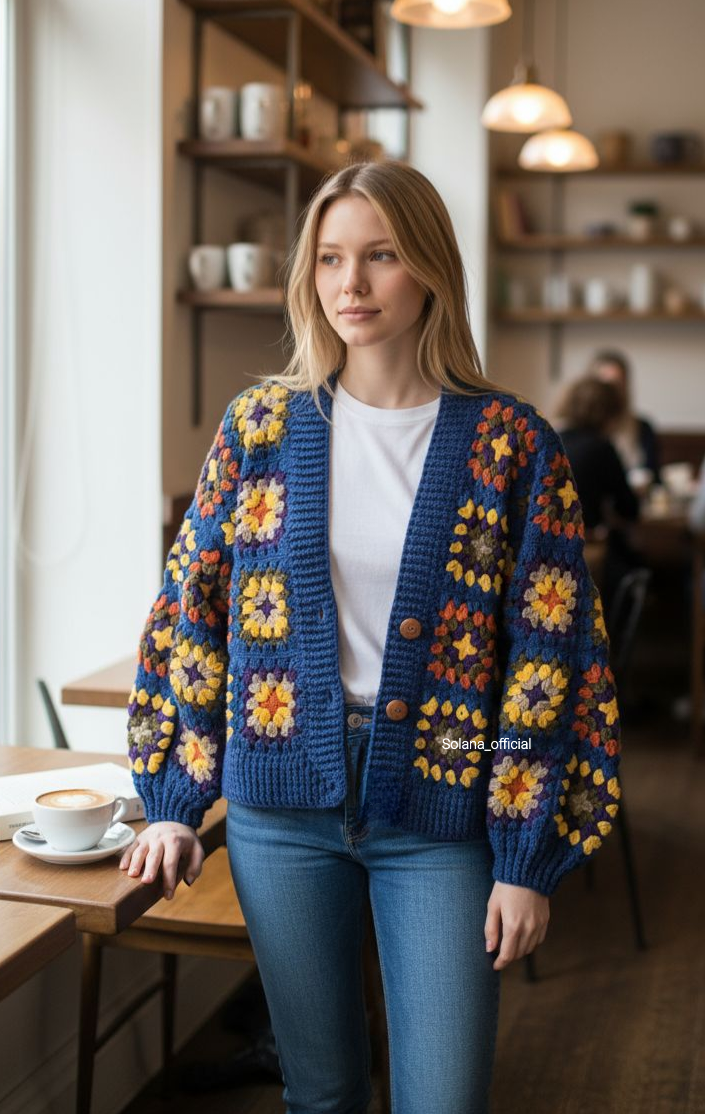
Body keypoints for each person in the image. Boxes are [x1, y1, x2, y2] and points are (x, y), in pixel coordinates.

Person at [120, 160, 622, 1114]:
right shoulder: (260, 426)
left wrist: (523, 857)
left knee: (444, 1098)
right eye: (330, 259)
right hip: (278, 811)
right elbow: (193, 612)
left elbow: (548, 663)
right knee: (321, 1092)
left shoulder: (512, 443)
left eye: (382, 256)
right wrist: (176, 798)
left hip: (441, 813)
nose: (350, 285)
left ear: (429, 267)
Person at [557, 375, 640, 608]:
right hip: (586, 552)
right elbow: (629, 508)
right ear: (609, 414)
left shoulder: (553, 440)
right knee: (634, 567)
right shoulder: (602, 448)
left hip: (548, 549)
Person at [589, 349, 661, 484]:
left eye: (618, 383)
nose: (612, 392)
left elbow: (654, 476)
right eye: (606, 385)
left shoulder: (642, 427)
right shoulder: (579, 432)